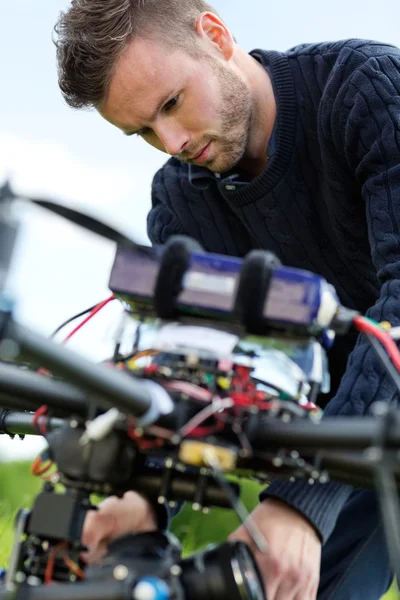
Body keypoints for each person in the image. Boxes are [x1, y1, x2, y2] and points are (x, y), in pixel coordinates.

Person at [53, 1, 400, 598]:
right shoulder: (179, 203)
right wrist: (140, 497)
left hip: (361, 438)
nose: (173, 142)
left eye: (170, 105)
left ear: (214, 35)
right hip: (337, 447)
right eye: (142, 132)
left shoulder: (369, 91)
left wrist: (301, 507)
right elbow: (189, 378)